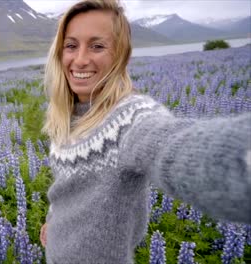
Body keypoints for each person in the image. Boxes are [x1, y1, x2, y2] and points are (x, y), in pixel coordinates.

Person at [39, 0, 251, 263]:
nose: (80, 59)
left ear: (120, 56)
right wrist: (54, 221)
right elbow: (66, 188)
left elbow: (170, 144)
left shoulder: (129, 119)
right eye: (71, 45)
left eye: (97, 46)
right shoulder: (67, 115)